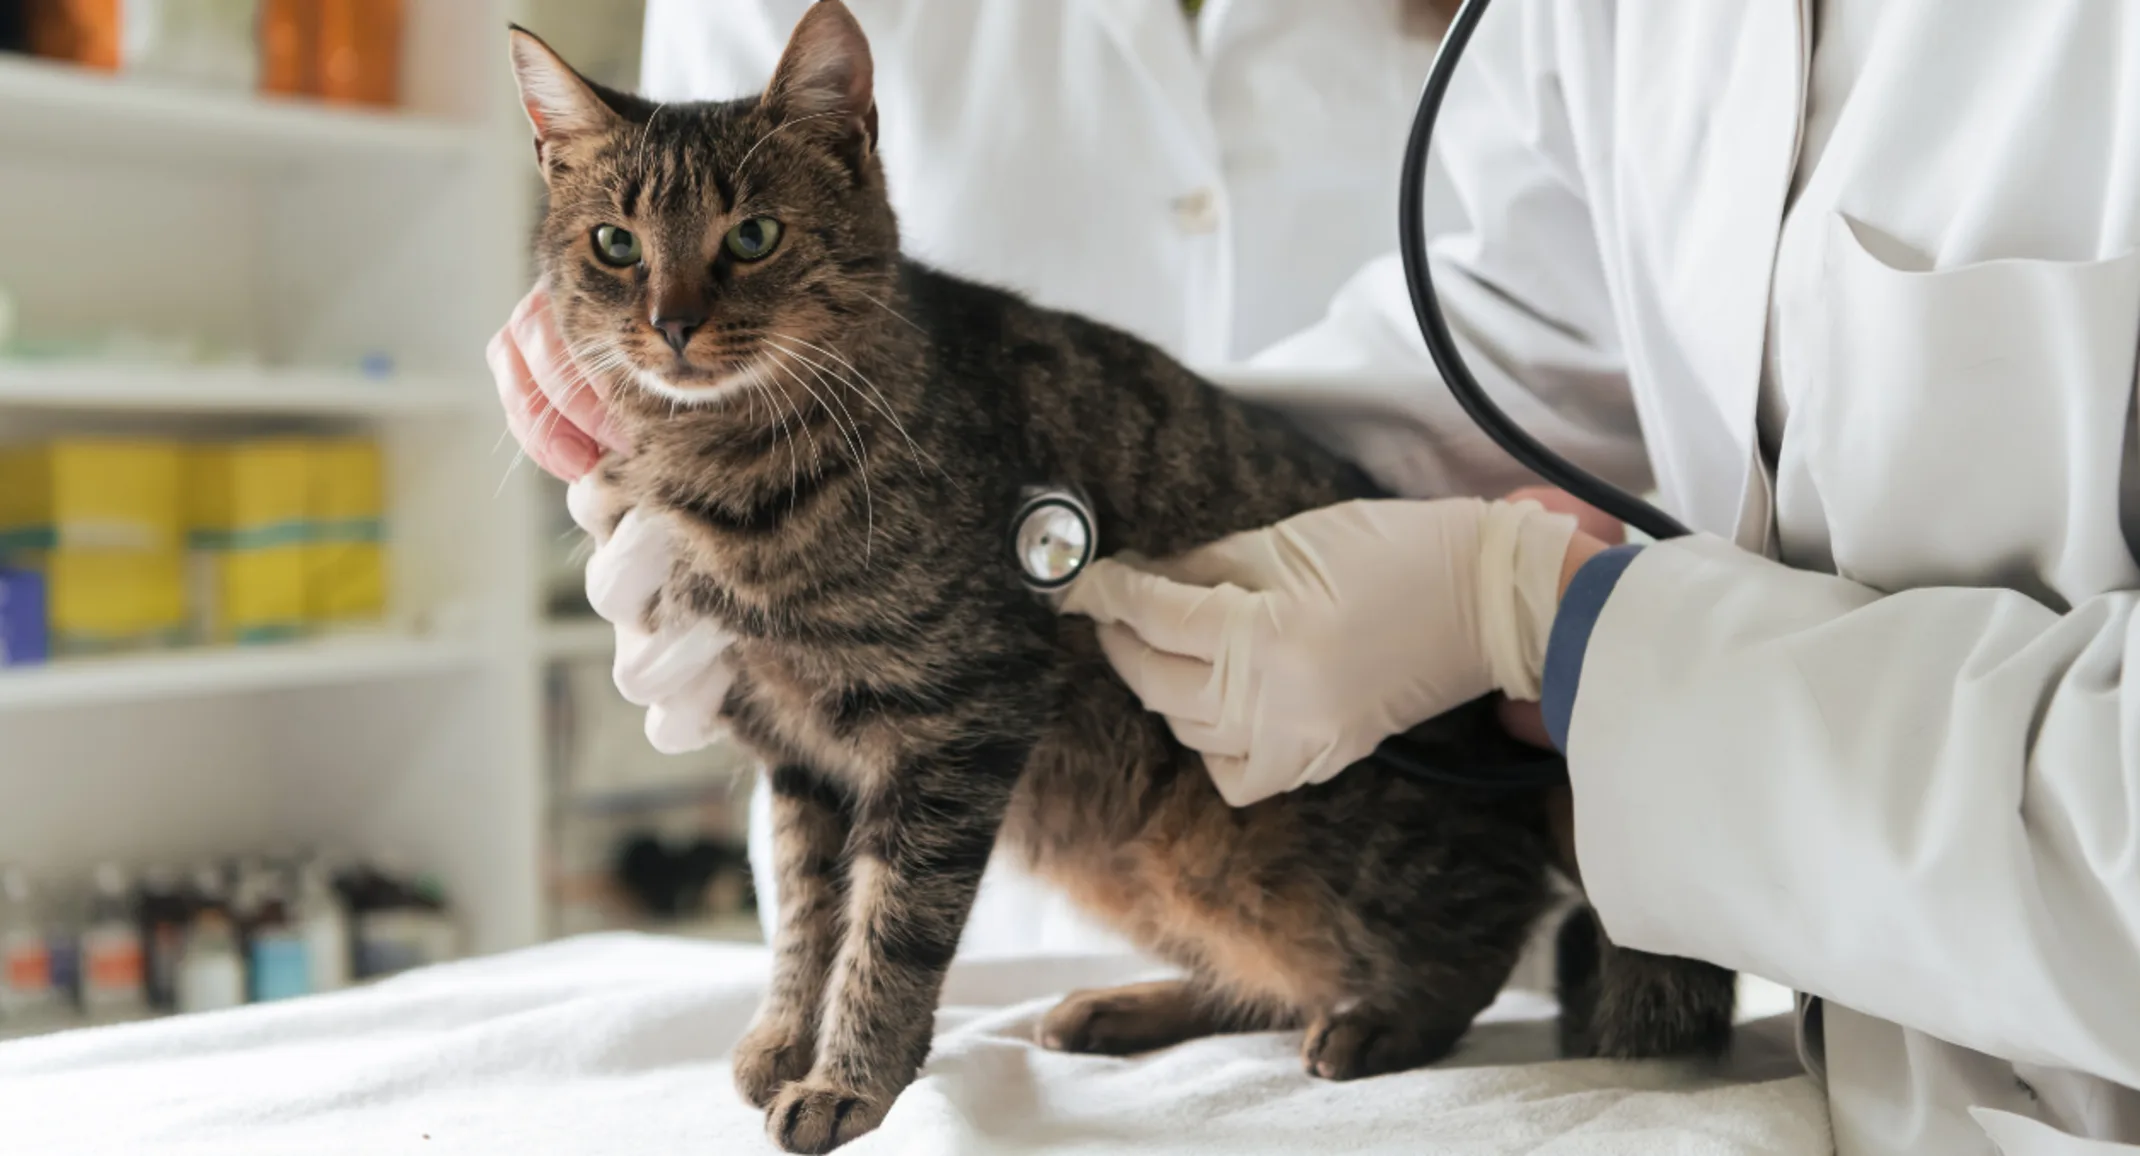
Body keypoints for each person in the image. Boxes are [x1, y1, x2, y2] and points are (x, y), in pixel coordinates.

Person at [498, 1, 2140, 1152]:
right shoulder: (1619, 23)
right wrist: (839, 543)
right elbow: (1492, 362)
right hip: (1815, 1028)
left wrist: (1551, 628)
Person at [496, 0, 1468, 960]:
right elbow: (653, 186)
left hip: (1413, 782)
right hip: (979, 901)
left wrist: (1498, 593)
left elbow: (1554, 342)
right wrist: (580, 360)